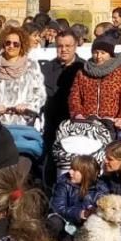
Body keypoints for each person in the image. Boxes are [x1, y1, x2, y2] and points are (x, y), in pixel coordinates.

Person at [0, 26, 46, 129]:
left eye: (16, 44)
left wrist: (28, 106)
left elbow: (39, 93)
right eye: (8, 43)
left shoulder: (31, 66)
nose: (11, 46)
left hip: (23, 123)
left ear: (22, 46)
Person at [69, 35, 121, 133]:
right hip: (86, 123)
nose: (98, 56)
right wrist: (77, 114)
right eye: (95, 52)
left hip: (112, 124)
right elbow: (74, 96)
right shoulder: (83, 72)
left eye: (103, 53)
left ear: (110, 54)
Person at [47, 155, 107, 241]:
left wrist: (94, 211)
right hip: (66, 221)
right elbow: (57, 207)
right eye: (71, 168)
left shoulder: (100, 189)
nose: (70, 172)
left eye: (75, 170)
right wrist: (79, 213)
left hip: (84, 226)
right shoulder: (64, 183)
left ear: (86, 173)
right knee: (54, 221)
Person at [42, 29, 82, 161]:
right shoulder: (46, 68)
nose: (63, 49)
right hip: (51, 125)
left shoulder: (84, 68)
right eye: (60, 46)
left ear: (75, 46)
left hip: (75, 124)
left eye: (68, 46)